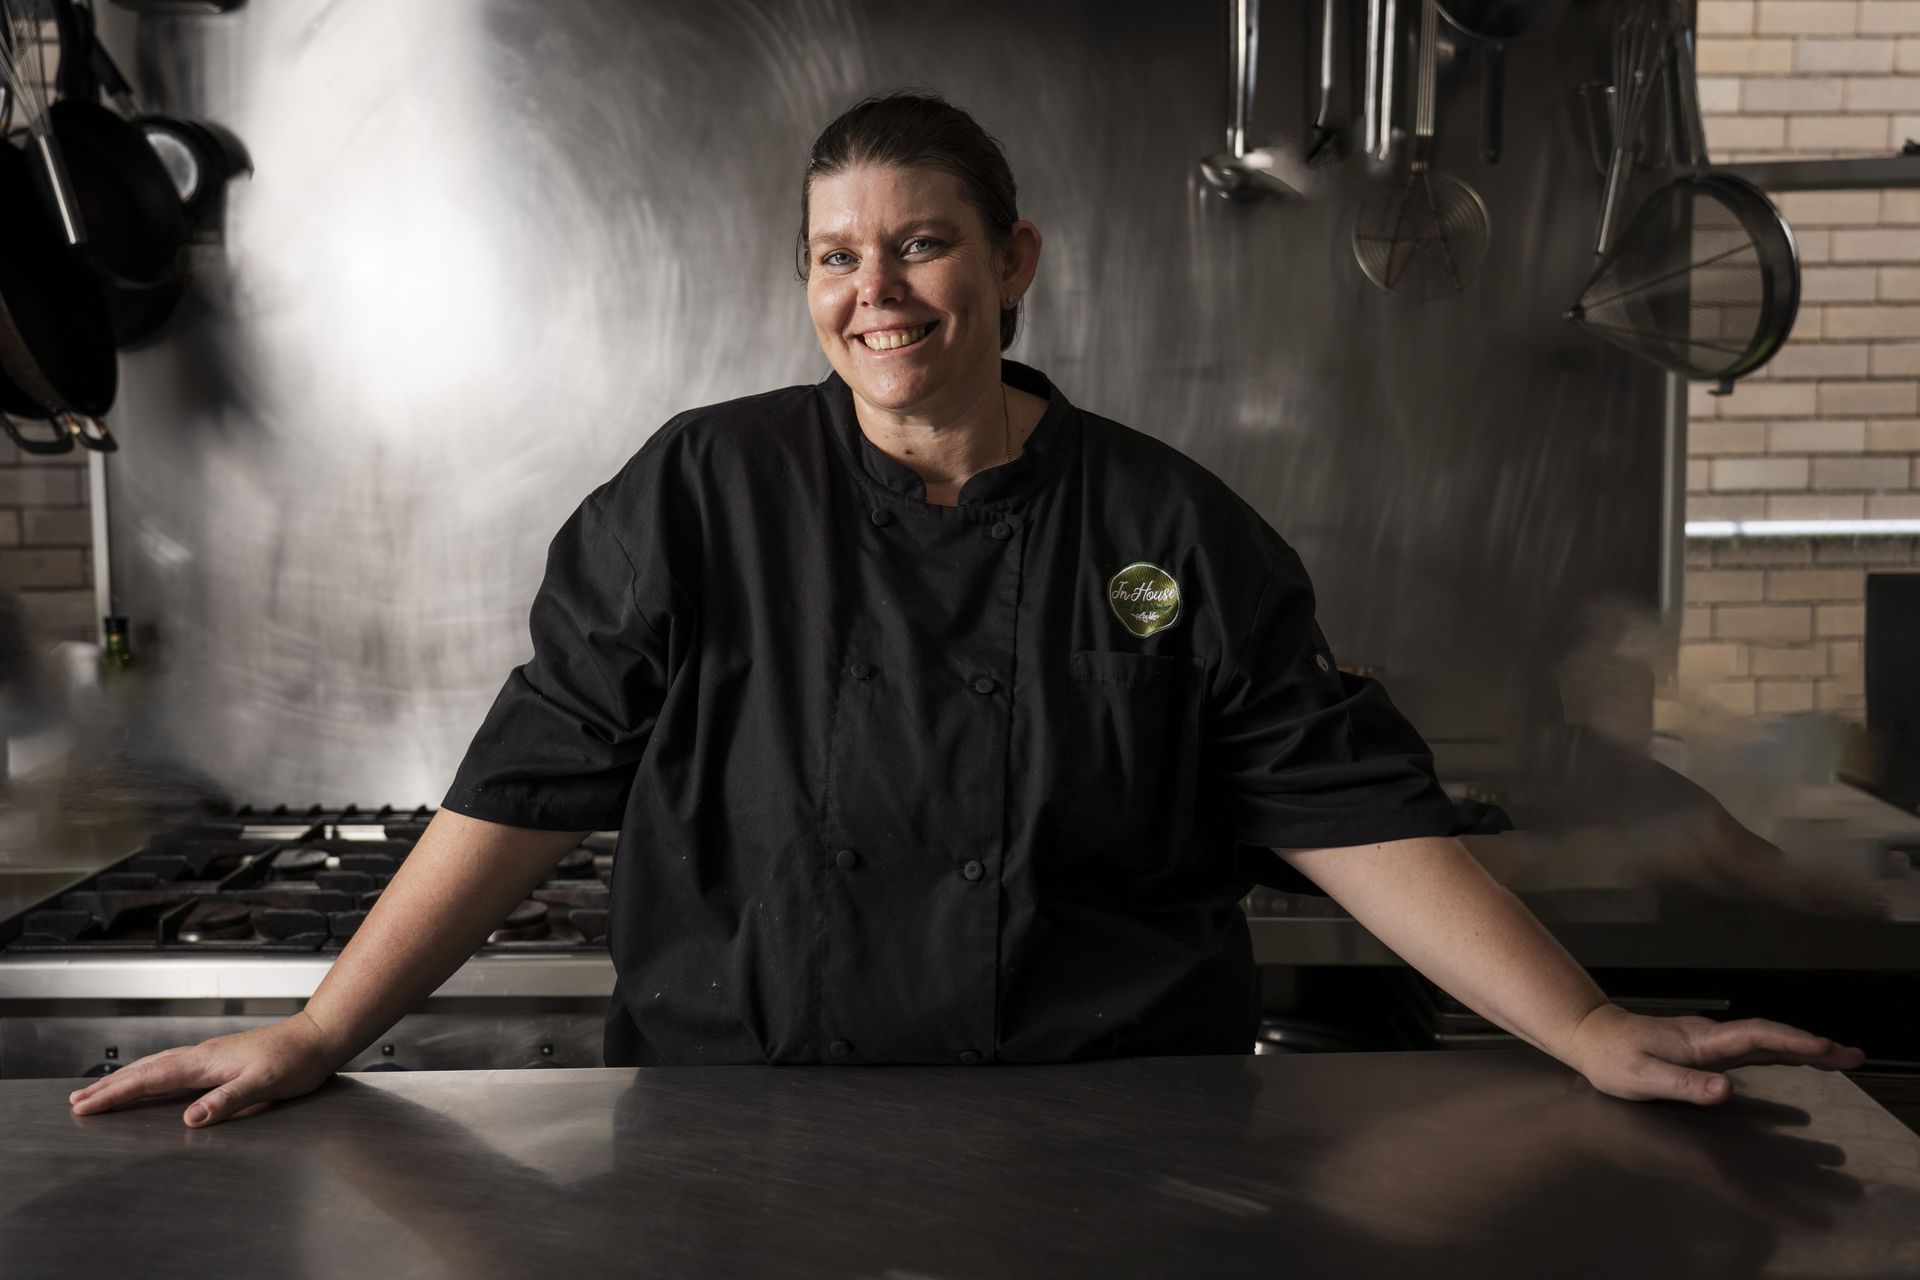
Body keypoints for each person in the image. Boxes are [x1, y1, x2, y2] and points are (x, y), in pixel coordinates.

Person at [68, 91, 1863, 1128]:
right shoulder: (705, 489)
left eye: (922, 244)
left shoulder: (1168, 520)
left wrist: (1582, 1028)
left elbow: (1340, 803)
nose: (880, 293)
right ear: (804, 284)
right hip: (739, 1124)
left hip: (1113, 1128)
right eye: (838, 257)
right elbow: (539, 773)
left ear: (1011, 261)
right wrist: (319, 1031)